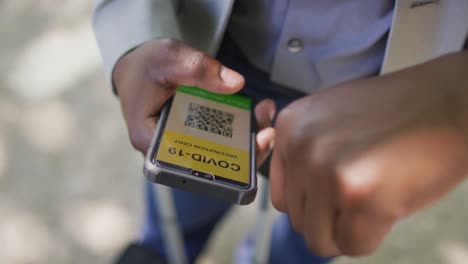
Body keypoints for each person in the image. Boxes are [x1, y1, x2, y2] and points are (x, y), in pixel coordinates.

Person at [93, 0, 468, 263]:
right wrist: (137, 32)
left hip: (385, 86)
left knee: (311, 232)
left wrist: (457, 94)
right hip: (213, 51)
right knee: (185, 194)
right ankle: (161, 252)